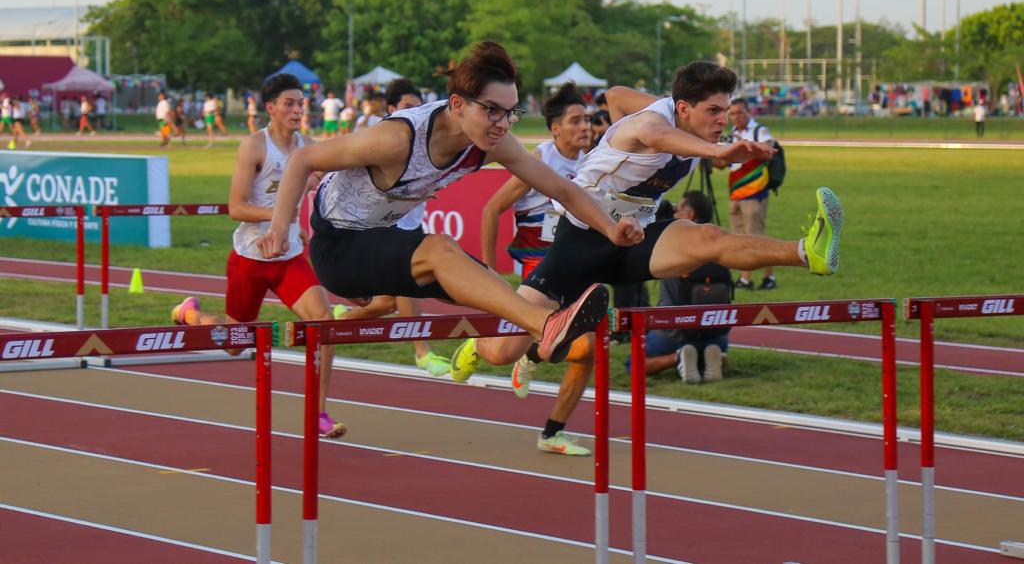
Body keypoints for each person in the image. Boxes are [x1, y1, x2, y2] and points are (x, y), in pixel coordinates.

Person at [256, 41, 644, 383]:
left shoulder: (492, 142)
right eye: (492, 110)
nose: (502, 124)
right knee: (440, 249)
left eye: (511, 112)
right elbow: (303, 158)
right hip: (338, 246)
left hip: (381, 241)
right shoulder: (397, 139)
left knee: (490, 285)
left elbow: (560, 187)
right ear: (457, 104)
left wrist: (610, 229)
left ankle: (490, 350)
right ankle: (546, 325)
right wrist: (279, 229)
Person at [506, 62, 842, 397]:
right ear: (683, 108)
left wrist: (726, 152)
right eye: (713, 111)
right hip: (580, 238)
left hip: (633, 238)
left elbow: (615, 95)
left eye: (725, 110)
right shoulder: (655, 121)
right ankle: (498, 352)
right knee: (502, 349)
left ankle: (807, 251)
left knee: (708, 237)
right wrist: (716, 150)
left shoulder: (688, 123)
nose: (722, 120)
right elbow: (655, 133)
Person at [171, 73, 347, 438]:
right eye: (290, 103)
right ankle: (190, 313)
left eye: (301, 103)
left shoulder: (309, 147)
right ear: (270, 108)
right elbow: (236, 206)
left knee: (324, 324)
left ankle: (318, 413)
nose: (299, 109)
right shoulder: (254, 146)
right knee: (237, 345)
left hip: (288, 258)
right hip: (250, 258)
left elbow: (336, 176)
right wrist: (280, 217)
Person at [480, 81, 593, 456]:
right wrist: (489, 271)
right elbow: (491, 209)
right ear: (555, 128)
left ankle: (552, 431)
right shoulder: (539, 161)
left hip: (576, 264)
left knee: (587, 351)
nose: (584, 128)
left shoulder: (594, 162)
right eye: (575, 121)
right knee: (570, 345)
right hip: (538, 261)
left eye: (587, 120)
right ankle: (480, 344)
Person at [326, 77, 451, 377]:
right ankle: (423, 352)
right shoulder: (377, 141)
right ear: (391, 110)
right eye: (408, 108)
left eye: (419, 108)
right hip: (380, 229)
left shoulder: (428, 142)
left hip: (412, 227)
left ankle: (337, 321)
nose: (415, 114)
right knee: (406, 286)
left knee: (386, 304)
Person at [625, 191, 733, 384]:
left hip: (674, 332)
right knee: (709, 344)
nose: (675, 210)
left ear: (690, 215)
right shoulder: (720, 244)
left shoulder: (675, 244)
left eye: (680, 208)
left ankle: (678, 357)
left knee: (633, 365)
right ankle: (709, 355)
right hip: (717, 332)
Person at [715, 98, 777, 290]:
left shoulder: (759, 131)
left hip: (754, 190)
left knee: (755, 236)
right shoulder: (731, 134)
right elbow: (722, 164)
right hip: (735, 190)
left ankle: (759, 278)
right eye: (732, 114)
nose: (736, 117)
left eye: (740, 112)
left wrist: (746, 147)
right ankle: (752, 279)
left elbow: (769, 153)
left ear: (748, 112)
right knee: (739, 237)